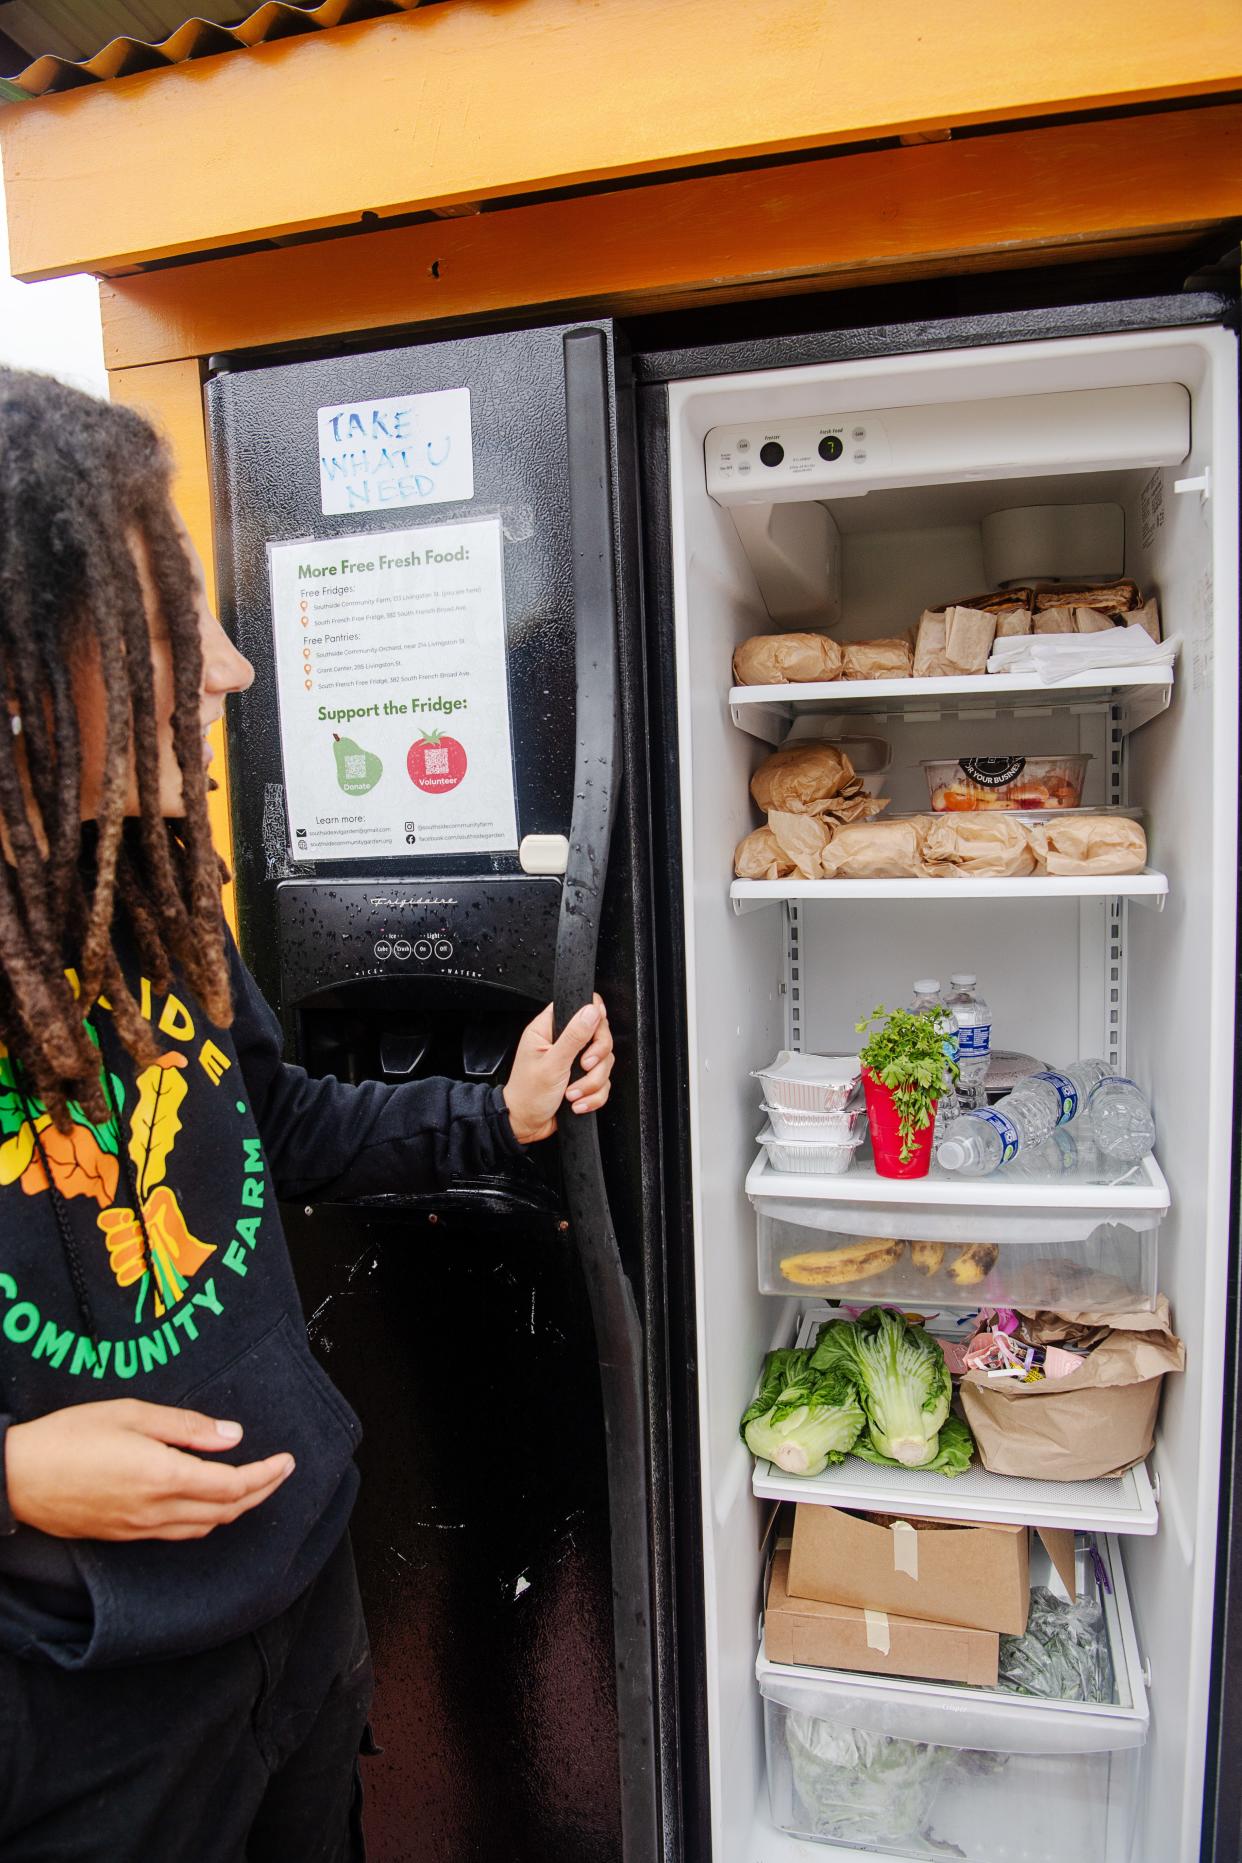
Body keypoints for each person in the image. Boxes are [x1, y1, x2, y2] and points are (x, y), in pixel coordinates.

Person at [0, 369, 615, 1860]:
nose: (229, 670)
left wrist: (498, 1118)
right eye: (169, 619)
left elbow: (270, 1124)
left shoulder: (144, 909)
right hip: (87, 1710)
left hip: (295, 1609)